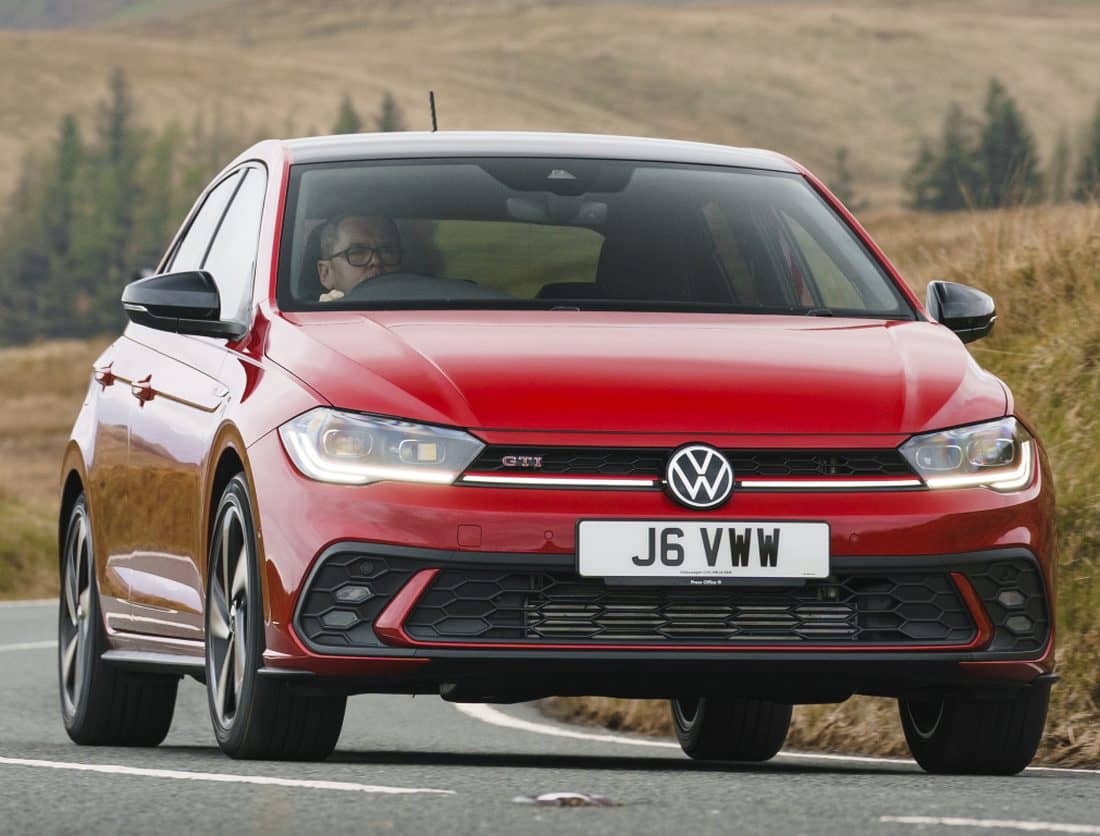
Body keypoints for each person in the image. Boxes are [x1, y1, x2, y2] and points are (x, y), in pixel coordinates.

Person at [316, 215, 403, 302]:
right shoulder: (314, 314)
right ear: (326, 273)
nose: (376, 261)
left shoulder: (415, 308)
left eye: (386, 251)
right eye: (357, 252)